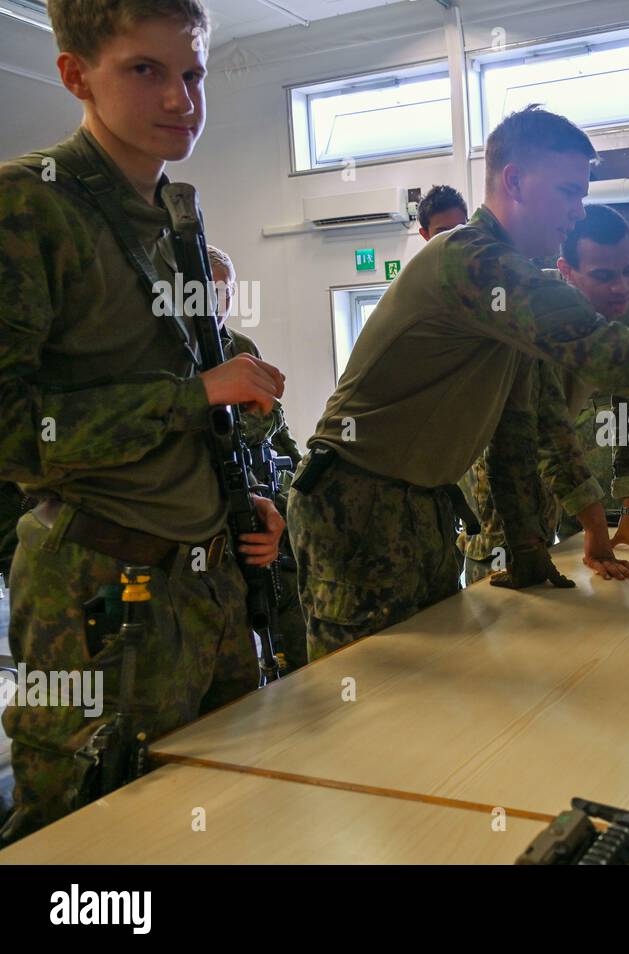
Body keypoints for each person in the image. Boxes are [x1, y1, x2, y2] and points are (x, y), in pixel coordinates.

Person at [287, 104, 629, 661]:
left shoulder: (507, 284)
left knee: (430, 692)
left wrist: (530, 550)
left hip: (418, 506)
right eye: (567, 192)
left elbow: (517, 425)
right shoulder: (472, 261)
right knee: (362, 704)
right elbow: (618, 358)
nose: (577, 213)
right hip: (357, 506)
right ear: (513, 180)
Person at [0, 0, 286, 845]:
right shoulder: (28, 207)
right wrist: (196, 395)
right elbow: (11, 430)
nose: (181, 99)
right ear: (75, 75)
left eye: (192, 73)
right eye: (146, 71)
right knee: (93, 843)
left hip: (208, 578)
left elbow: (179, 397)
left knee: (229, 818)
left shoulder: (176, 219)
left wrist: (242, 506)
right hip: (94, 590)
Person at [457, 204, 629, 584]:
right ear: (566, 272)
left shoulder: (626, 309)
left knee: (557, 571)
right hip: (497, 459)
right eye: (604, 275)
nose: (621, 287)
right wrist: (595, 525)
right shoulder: (531, 309)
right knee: (507, 574)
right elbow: (545, 431)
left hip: (556, 455)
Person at [208, 245, 307, 672]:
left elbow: (278, 433)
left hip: (262, 508)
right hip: (210, 523)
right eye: (203, 292)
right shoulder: (168, 357)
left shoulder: (240, 348)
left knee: (293, 632)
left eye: (222, 293)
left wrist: (293, 492)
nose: (214, 304)